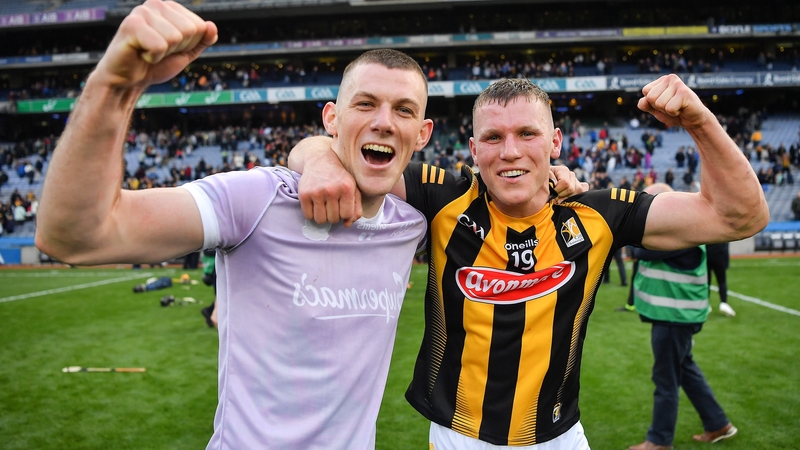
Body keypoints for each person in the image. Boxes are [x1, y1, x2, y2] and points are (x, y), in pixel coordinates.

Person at [34, 1, 442, 448]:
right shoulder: (257, 199)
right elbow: (74, 237)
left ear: (422, 134)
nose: (384, 122)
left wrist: (317, 155)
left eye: (403, 110)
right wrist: (114, 85)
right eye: (366, 104)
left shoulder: (415, 223)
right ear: (332, 119)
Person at [289, 73, 768, 448]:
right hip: (460, 438)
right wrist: (323, 162)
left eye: (527, 134)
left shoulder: (600, 213)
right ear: (473, 150)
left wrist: (699, 121)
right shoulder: (444, 196)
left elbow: (740, 216)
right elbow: (333, 150)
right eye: (493, 138)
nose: (510, 151)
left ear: (556, 142)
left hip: (562, 438)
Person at [629, 183, 737, 450]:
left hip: (675, 316)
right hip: (676, 315)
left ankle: (659, 440)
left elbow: (640, 251)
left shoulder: (678, 232)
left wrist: (633, 235)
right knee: (684, 369)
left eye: (649, 205)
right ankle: (718, 423)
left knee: (665, 378)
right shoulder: (681, 229)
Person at [706, 242, 735, 317]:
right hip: (719, 254)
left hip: (707, 254)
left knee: (707, 281)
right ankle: (723, 302)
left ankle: (706, 304)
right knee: (721, 280)